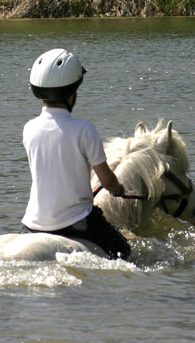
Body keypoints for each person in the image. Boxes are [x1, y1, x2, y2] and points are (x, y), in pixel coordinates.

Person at [20, 48, 131, 260]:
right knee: (124, 251)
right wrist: (118, 190)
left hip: (31, 224)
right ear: (72, 94)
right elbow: (107, 180)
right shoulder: (84, 129)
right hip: (74, 223)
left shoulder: (29, 128)